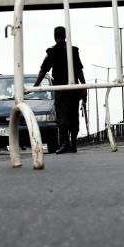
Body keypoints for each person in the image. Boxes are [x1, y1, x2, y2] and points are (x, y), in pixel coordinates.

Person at [33, 26, 87, 154]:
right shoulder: (73, 50)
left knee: (62, 117)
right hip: (74, 89)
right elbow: (79, 71)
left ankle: (64, 143)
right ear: (66, 35)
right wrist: (84, 86)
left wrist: (35, 86)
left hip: (61, 89)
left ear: (54, 36)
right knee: (74, 115)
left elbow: (43, 70)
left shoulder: (52, 52)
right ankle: (73, 143)